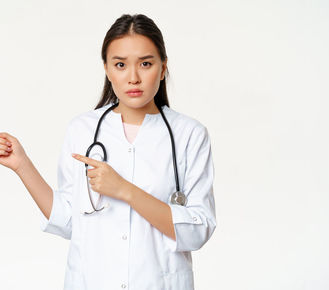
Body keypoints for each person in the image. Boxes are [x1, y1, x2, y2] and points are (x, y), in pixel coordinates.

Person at [0, 14, 216, 289]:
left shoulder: (189, 135)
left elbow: (198, 229)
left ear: (162, 69)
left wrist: (124, 190)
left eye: (146, 64)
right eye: (121, 65)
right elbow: (69, 221)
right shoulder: (82, 130)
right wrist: (22, 165)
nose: (134, 77)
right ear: (107, 69)